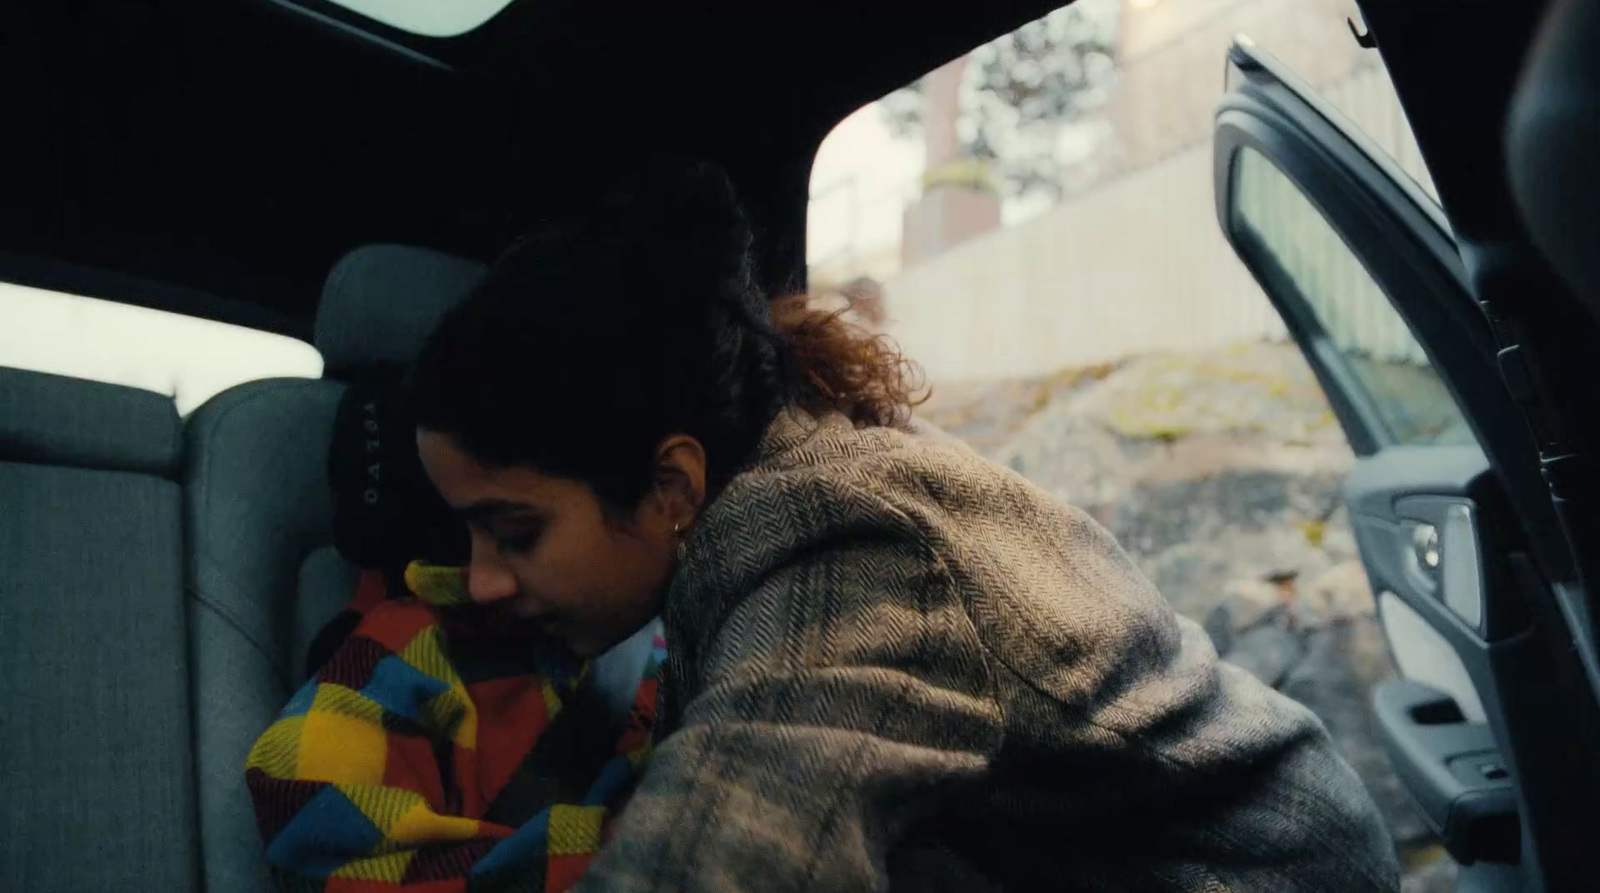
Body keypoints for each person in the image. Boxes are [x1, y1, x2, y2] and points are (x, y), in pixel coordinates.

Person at [408, 161, 1400, 891]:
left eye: (513, 530)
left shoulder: (840, 535)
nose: (482, 579)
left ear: (671, 483)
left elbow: (731, 845)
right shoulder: (788, 473)